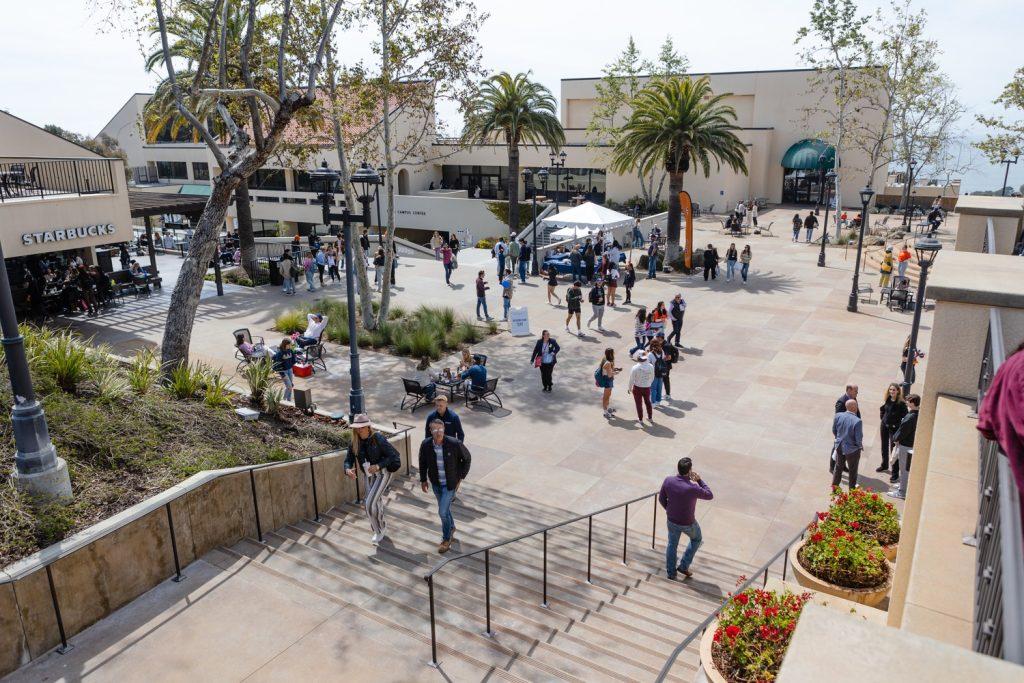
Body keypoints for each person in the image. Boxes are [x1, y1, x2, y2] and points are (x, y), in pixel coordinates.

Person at [346, 414, 403, 544]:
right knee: (375, 502)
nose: (359, 430)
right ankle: (380, 525)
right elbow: (348, 459)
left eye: (362, 427)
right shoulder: (354, 441)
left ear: (368, 427)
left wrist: (378, 466)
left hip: (383, 473)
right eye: (357, 428)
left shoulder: (378, 438)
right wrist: (347, 469)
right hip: (368, 475)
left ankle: (379, 530)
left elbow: (394, 456)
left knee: (369, 503)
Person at [419, 418, 472, 553]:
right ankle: (452, 526)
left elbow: (467, 458)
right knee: (445, 509)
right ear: (430, 431)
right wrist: (423, 479)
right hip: (436, 483)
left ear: (444, 429)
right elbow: (422, 462)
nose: (438, 432)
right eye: (435, 429)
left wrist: (460, 477)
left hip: (449, 485)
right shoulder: (425, 445)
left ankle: (446, 538)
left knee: (442, 512)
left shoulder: (454, 443)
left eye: (440, 429)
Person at [659, 457, 713, 580]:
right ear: (689, 471)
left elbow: (661, 499)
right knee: (697, 539)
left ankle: (671, 573)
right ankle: (683, 566)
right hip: (688, 522)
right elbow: (709, 495)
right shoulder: (693, 487)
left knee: (672, 545)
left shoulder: (668, 481)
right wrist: (699, 480)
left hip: (672, 520)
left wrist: (669, 510)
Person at [888, 394, 919, 499]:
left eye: (908, 401)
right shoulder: (917, 414)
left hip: (905, 446)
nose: (906, 402)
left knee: (904, 469)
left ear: (913, 403)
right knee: (905, 469)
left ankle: (902, 492)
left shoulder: (910, 417)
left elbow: (902, 431)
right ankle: (902, 485)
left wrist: (895, 439)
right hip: (910, 445)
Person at [832, 399, 864, 490]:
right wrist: (859, 446)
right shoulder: (857, 421)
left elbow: (834, 430)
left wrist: (839, 439)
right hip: (852, 450)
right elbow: (858, 438)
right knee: (853, 471)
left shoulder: (838, 416)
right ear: (854, 408)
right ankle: (851, 492)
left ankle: (835, 489)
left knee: (838, 468)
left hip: (839, 446)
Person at [877, 383, 908, 475]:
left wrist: (897, 426)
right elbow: (883, 409)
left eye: (894, 390)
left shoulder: (901, 404)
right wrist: (883, 418)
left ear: (898, 391)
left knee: (893, 450)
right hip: (884, 426)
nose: (891, 391)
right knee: (884, 446)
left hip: (894, 429)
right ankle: (884, 465)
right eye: (890, 389)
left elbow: (905, 418)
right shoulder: (888, 399)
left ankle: (895, 473)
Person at [627, 350, 655, 427]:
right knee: (648, 402)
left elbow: (631, 379)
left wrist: (629, 388)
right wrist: (648, 383)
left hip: (637, 388)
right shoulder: (651, 366)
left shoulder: (635, 368)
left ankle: (640, 419)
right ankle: (650, 417)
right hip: (647, 387)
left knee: (638, 404)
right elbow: (652, 377)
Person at [657, 332, 679, 398]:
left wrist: (659, 361)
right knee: (663, 379)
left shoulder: (666, 346)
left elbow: (669, 357)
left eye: (657, 337)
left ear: (661, 338)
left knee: (665, 379)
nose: (656, 339)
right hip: (663, 365)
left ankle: (667, 394)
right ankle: (665, 393)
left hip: (666, 366)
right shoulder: (661, 343)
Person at [648, 337, 667, 406]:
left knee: (653, 388)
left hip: (653, 373)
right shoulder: (662, 351)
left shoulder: (650, 354)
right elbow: (664, 358)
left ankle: (653, 402)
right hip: (661, 372)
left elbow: (648, 364)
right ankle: (658, 401)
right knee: (659, 387)